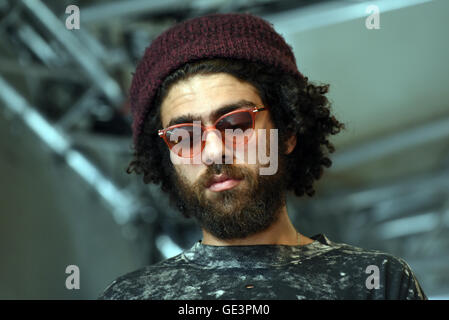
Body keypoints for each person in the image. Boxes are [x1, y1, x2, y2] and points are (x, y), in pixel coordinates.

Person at [99, 13, 427, 300]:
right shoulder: (130, 296)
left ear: (287, 132)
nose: (214, 152)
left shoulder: (376, 282)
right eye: (184, 136)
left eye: (237, 123)